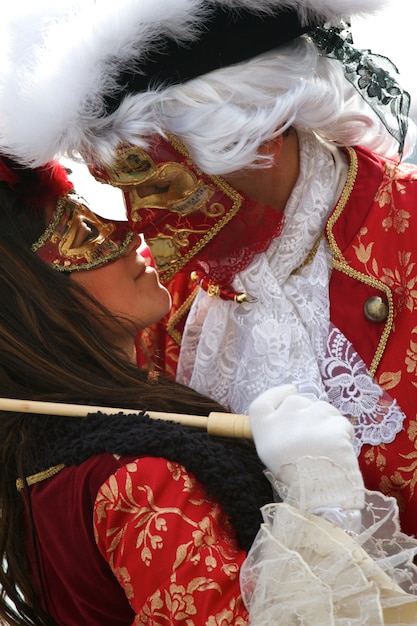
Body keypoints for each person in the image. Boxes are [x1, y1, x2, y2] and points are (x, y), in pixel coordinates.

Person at [3, 0, 416, 538]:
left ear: (259, 134)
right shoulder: (161, 307)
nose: (140, 225)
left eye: (159, 186)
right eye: (123, 192)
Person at [1, 157, 417, 625]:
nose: (129, 231)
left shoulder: (44, 464)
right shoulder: (136, 478)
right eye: (86, 236)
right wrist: (319, 498)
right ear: (34, 306)